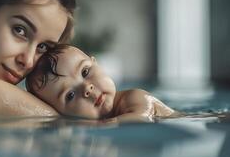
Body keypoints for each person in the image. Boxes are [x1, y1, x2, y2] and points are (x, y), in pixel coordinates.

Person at [26, 45, 176, 122]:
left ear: (96, 63)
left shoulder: (136, 97)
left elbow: (142, 118)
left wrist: (103, 125)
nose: (86, 88)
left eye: (85, 72)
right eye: (70, 95)